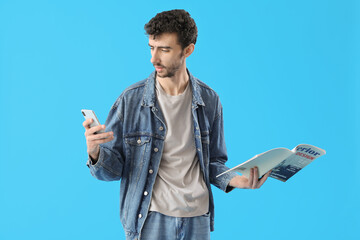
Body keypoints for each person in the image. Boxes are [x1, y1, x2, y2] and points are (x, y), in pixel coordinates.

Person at [83, 9, 270, 240]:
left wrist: (237, 180)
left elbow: (214, 162)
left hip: (197, 219)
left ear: (188, 50)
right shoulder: (130, 100)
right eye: (152, 48)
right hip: (150, 218)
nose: (154, 59)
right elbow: (113, 171)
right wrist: (95, 153)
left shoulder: (209, 101)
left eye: (164, 49)